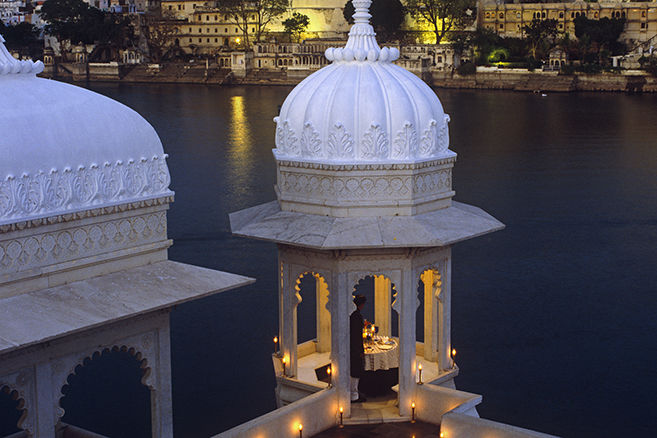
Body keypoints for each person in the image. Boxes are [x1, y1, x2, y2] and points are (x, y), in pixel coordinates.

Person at [350, 294, 370, 403]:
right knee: (356, 371)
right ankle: (353, 395)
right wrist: (361, 350)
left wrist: (363, 325)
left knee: (353, 370)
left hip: (349, 346)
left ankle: (355, 392)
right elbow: (357, 335)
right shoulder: (357, 316)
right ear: (361, 305)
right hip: (355, 349)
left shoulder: (352, 314)